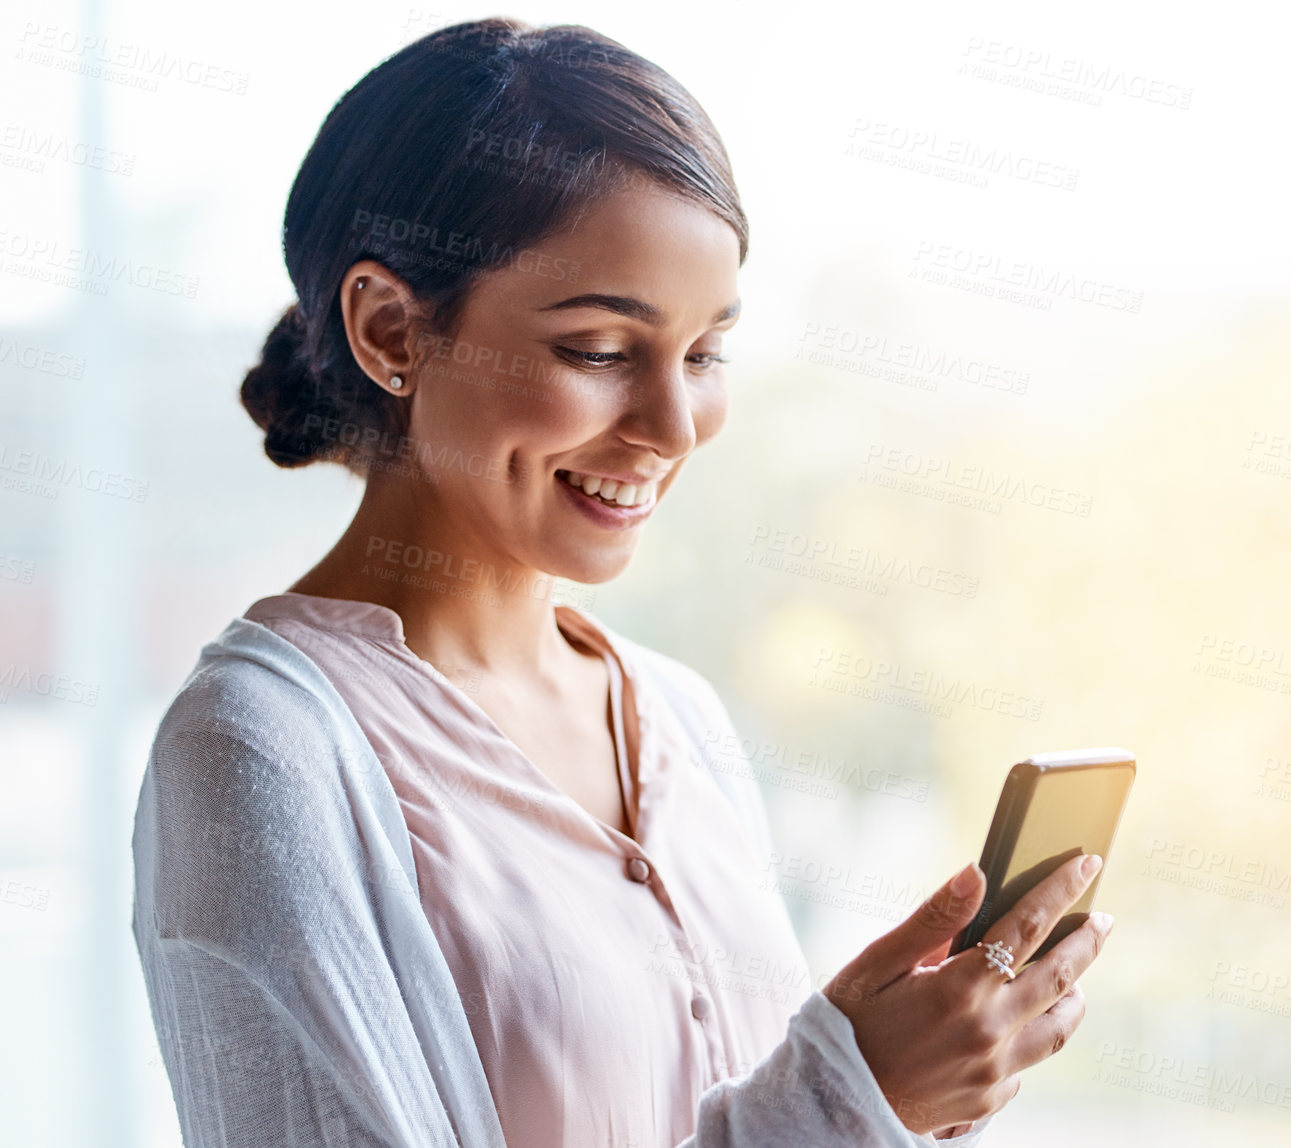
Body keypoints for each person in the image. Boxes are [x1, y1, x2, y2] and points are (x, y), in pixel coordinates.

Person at [130, 18, 1114, 1147]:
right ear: (391, 327)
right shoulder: (261, 746)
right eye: (599, 349)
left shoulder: (676, 717)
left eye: (703, 354)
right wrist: (853, 1098)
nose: (671, 426)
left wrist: (912, 1080)